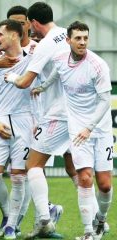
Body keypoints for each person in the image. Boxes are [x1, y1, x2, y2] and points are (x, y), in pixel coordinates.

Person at [3, 2, 84, 238]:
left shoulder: (45, 45)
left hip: (58, 114)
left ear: (34, 22)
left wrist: (10, 77)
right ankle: (97, 221)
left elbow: (25, 81)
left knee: (33, 166)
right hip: (79, 113)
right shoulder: (66, 35)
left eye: (30, 24)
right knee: (74, 168)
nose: (31, 30)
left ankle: (44, 220)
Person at [31, 21, 113, 240]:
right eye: (78, 38)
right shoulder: (60, 59)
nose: (82, 42)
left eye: (85, 38)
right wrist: (42, 87)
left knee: (104, 185)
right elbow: (57, 73)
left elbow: (106, 100)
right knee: (85, 178)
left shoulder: (98, 65)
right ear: (68, 40)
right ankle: (89, 232)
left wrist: (90, 127)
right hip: (77, 131)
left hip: (100, 129)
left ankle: (101, 220)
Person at [0, 19, 35, 240]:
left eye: (0, 34)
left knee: (19, 177)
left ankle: (11, 226)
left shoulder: (32, 61)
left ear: (14, 35)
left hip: (24, 124)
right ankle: (7, 217)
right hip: (0, 122)